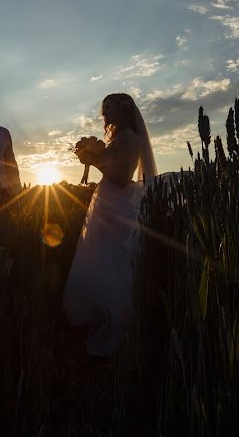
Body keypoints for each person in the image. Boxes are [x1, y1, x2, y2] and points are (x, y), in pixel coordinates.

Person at [64, 93, 157, 357]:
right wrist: (93, 155)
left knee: (111, 258)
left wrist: (92, 158)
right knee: (100, 255)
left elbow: (118, 176)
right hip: (107, 201)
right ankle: (96, 310)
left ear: (124, 110)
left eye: (109, 108)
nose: (104, 114)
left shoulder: (128, 138)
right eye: (103, 109)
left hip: (115, 202)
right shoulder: (117, 137)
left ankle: (114, 315)